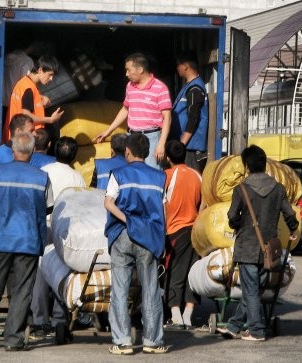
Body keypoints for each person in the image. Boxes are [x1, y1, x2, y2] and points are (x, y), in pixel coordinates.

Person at [0, 132, 53, 351]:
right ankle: (13, 340)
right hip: (28, 240)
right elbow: (48, 207)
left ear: (13, 151)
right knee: (22, 290)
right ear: (33, 151)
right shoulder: (42, 177)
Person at [217, 145, 298, 342]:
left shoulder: (242, 189)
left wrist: (236, 224)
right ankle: (234, 326)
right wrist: (293, 229)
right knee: (253, 290)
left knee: (250, 291)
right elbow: (289, 214)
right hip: (269, 248)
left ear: (247, 165)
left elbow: (232, 217)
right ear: (264, 165)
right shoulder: (278, 189)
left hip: (248, 247)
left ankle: (256, 330)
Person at [104, 133, 168, 355]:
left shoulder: (119, 174)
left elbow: (108, 202)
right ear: (148, 153)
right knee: (151, 289)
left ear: (127, 153)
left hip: (123, 235)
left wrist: (127, 220)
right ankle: (152, 341)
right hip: (149, 238)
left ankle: (122, 342)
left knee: (120, 290)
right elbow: (163, 211)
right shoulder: (159, 177)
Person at [30, 136, 85, 337]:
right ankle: (59, 319)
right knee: (62, 272)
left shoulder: (44, 171)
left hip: (44, 226)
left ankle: (38, 320)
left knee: (41, 273)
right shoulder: (77, 177)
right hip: (65, 230)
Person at [94, 52, 172, 170]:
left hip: (152, 138)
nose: (126, 74)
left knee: (151, 172)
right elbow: (125, 109)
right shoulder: (130, 86)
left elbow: (167, 117)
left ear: (140, 69)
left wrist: (161, 143)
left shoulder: (160, 88)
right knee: (132, 171)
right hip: (132, 137)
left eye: (128, 70)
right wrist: (108, 131)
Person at [162, 140, 201, 330]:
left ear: (168, 158)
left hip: (175, 231)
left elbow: (162, 205)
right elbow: (203, 205)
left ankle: (176, 315)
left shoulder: (166, 176)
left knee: (174, 272)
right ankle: (188, 315)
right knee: (192, 273)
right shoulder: (197, 175)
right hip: (196, 231)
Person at [3, 55, 64, 144]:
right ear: (40, 70)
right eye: (50, 75)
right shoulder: (29, 89)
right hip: (21, 142)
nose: (51, 79)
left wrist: (40, 99)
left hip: (14, 138)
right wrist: (50, 119)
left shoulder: (24, 83)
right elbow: (26, 116)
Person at [170, 53, 209, 173]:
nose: (177, 68)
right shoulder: (188, 86)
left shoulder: (195, 88)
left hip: (189, 147)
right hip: (185, 145)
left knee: (188, 177)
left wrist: (181, 144)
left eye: (178, 65)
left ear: (186, 66)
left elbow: (193, 118)